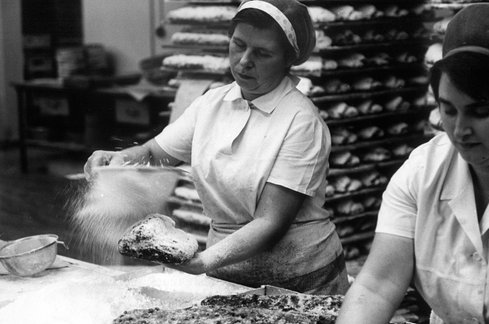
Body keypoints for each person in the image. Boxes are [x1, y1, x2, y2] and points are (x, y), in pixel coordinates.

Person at [83, 0, 350, 295]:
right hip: (226, 273)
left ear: (288, 60)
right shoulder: (212, 103)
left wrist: (203, 262)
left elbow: (270, 222)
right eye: (238, 44)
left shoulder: (301, 122)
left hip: (299, 278)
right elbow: (154, 155)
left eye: (262, 53)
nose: (244, 60)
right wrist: (119, 160)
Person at [336, 4, 489, 324]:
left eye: (481, 111)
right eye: (448, 109)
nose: (459, 131)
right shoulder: (422, 171)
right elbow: (378, 286)